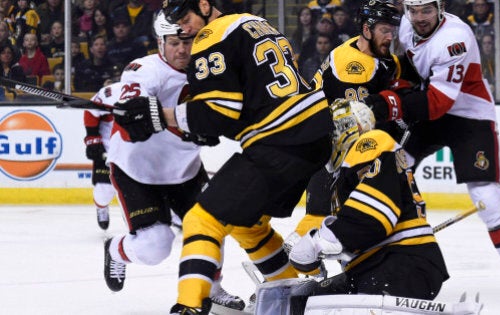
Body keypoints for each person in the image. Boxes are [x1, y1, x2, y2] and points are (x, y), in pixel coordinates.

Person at [112, 1, 333, 313]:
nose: (186, 30)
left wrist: (158, 115)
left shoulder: (211, 36)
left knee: (201, 220)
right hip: (313, 137)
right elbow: (247, 103)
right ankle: (291, 294)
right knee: (247, 225)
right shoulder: (253, 22)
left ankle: (188, 305)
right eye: (176, 29)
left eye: (187, 20)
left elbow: (218, 113)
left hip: (279, 141)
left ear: (204, 5)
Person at [361, 0, 500, 308]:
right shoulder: (408, 25)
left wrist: (386, 103)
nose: (420, 17)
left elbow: (438, 103)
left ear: (440, 8)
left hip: (469, 116)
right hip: (432, 107)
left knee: (486, 194)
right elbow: (412, 66)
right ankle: (394, 246)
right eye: (414, 10)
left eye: (426, 10)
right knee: (395, 167)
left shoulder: (455, 39)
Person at [101, 11, 246, 312]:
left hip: (185, 169)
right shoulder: (143, 70)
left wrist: (209, 126)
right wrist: (143, 116)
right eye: (175, 42)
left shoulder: (209, 72)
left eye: (190, 41)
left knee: (212, 224)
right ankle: (116, 250)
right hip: (137, 170)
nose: (183, 49)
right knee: (155, 246)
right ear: (160, 42)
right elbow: (132, 128)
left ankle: (212, 287)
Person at [288, 99, 449, 302]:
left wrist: (319, 242)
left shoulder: (370, 142)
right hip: (375, 265)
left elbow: (372, 217)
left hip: (400, 262)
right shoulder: (342, 175)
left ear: (350, 127)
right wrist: (318, 256)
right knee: (302, 301)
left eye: (331, 130)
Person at [288, 0, 409, 252]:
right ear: (366, 30)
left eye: (392, 30)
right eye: (384, 30)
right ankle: (295, 258)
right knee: (326, 210)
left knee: (348, 211)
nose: (390, 36)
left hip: (327, 138)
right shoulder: (354, 66)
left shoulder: (377, 57)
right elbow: (356, 123)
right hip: (325, 142)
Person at [84, 93, 116, 231]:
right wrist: (92, 137)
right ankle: (101, 206)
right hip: (109, 147)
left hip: (137, 147)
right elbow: (91, 110)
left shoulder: (152, 89)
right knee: (104, 189)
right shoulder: (111, 91)